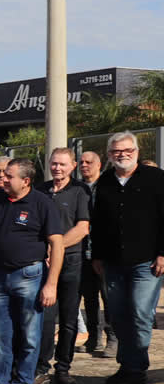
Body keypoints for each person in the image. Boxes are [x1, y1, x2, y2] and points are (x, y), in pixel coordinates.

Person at [0, 158, 64, 384]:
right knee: (1, 337)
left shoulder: (42, 203)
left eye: (9, 176)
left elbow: (57, 243)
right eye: (2, 175)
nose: (2, 179)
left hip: (30, 276)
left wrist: (51, 283)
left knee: (29, 335)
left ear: (25, 181)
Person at [90, 132, 164, 384]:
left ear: (137, 151)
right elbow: (98, 222)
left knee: (140, 313)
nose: (122, 155)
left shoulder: (156, 178)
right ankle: (126, 365)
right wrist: (97, 255)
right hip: (112, 261)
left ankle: (137, 368)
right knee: (119, 315)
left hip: (146, 261)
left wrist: (162, 253)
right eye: (116, 151)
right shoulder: (106, 182)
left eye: (127, 150)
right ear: (109, 155)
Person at [36, 148, 90, 384]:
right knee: (45, 318)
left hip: (71, 263)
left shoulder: (80, 191)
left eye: (62, 164)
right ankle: (41, 368)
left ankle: (63, 368)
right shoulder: (40, 190)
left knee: (68, 319)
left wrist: (55, 248)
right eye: (54, 163)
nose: (57, 168)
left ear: (73, 166)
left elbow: (82, 228)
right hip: (43, 265)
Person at [78, 150, 113, 357]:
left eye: (89, 162)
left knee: (108, 298)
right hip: (82, 252)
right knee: (89, 299)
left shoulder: (107, 186)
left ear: (99, 165)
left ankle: (113, 339)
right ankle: (93, 338)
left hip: (104, 253)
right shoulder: (78, 189)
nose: (84, 165)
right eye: (81, 162)